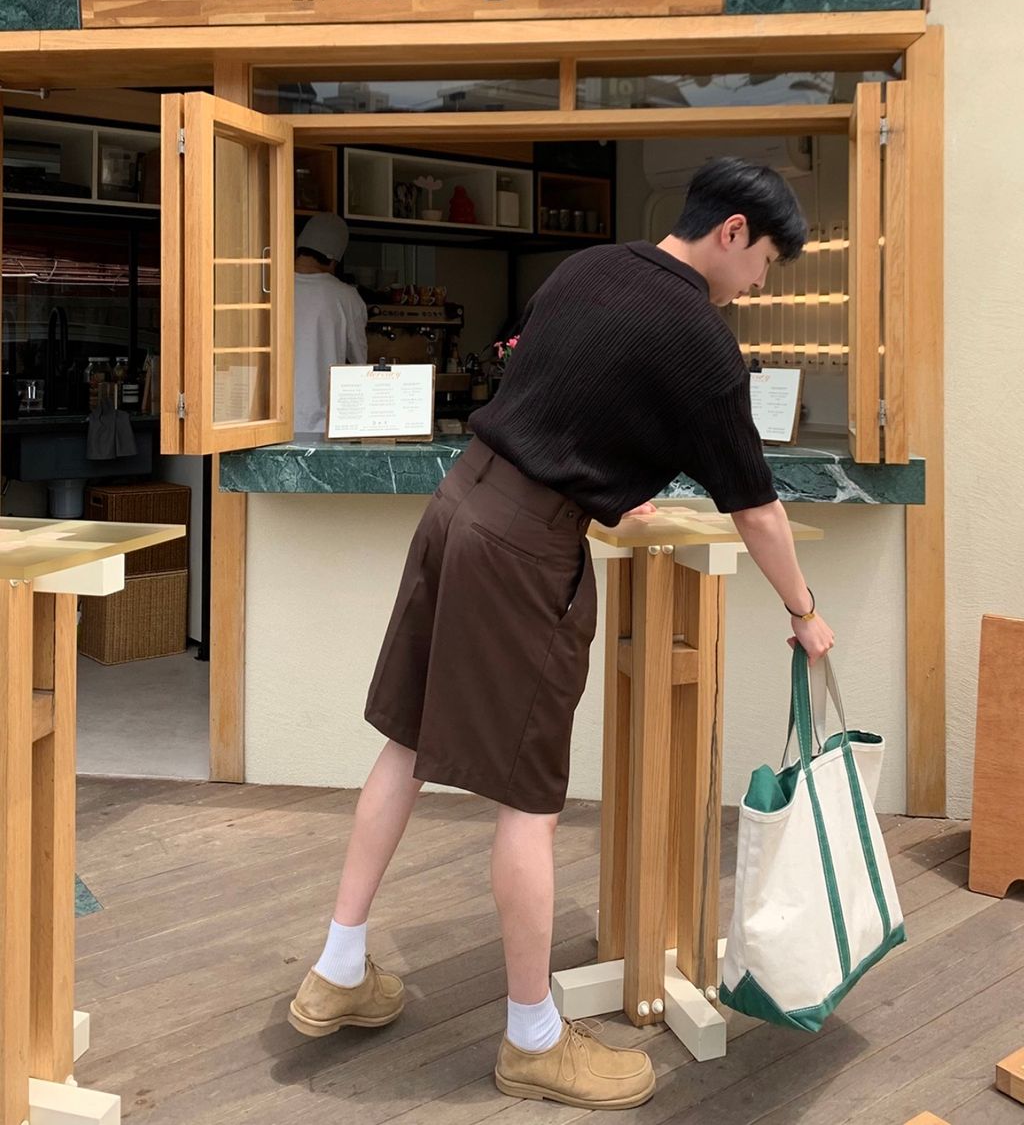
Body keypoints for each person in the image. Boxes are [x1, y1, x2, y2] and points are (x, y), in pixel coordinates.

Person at [287, 158, 835, 1109]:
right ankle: (533, 1036)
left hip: (461, 501)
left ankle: (337, 968)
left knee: (407, 742)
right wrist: (804, 609)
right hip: (524, 549)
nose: (758, 284)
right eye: (766, 263)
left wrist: (603, 490)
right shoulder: (702, 341)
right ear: (733, 231)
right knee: (530, 798)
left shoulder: (588, 266)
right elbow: (756, 508)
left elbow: (553, 389)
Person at [293, 212, 368, 434]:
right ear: (334, 260)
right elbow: (361, 367)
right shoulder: (346, 297)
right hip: (325, 426)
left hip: (269, 424)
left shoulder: (269, 287)